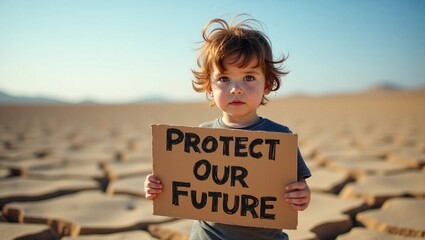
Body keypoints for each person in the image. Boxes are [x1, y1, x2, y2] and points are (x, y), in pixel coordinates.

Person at [144, 14, 311, 240]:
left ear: (268, 85)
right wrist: (156, 186)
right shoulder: (199, 137)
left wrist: (301, 195)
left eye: (249, 77)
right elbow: (178, 183)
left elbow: (298, 188)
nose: (236, 89)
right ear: (209, 87)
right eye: (224, 79)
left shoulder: (279, 137)